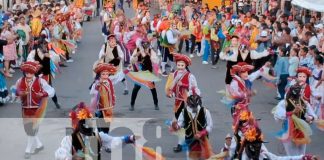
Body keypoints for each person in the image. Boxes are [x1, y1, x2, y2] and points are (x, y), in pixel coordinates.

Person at [55, 102, 137, 160]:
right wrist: (72, 158)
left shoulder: (98, 136)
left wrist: (128, 138)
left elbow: (112, 142)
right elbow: (61, 153)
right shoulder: (69, 140)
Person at [15, 61, 55, 159]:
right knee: (28, 129)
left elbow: (51, 91)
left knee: (32, 129)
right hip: (25, 109)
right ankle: (39, 145)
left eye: (31, 73)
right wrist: (20, 93)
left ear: (34, 73)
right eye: (27, 73)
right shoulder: (20, 81)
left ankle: (27, 150)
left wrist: (43, 94)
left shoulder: (40, 81)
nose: (28, 75)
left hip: (37, 109)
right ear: (24, 72)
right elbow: (15, 92)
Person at [165, 53, 200, 152]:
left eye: (182, 65)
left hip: (188, 102)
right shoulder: (175, 74)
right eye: (178, 65)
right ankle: (181, 143)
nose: (180, 67)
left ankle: (189, 142)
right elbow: (172, 86)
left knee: (188, 123)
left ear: (186, 66)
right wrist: (170, 92)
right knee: (179, 123)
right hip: (178, 102)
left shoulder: (190, 76)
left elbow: (194, 88)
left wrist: (183, 84)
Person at [273, 84, 317, 156]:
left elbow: (313, 116)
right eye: (301, 91)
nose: (303, 92)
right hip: (289, 131)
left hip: (302, 132)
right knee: (292, 155)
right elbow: (278, 115)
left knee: (301, 154)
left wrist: (310, 118)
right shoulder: (284, 102)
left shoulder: (304, 103)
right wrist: (292, 112)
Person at [171, 95, 213, 159]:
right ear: (188, 104)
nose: (194, 108)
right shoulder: (184, 112)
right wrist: (175, 127)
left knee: (203, 156)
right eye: (192, 106)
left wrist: (201, 133)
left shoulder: (205, 111)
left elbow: (210, 126)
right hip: (190, 139)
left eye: (196, 106)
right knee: (194, 156)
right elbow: (180, 124)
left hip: (203, 139)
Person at [26, 37, 61, 109]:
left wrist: (50, 57)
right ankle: (35, 104)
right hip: (37, 74)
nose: (44, 46)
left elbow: (57, 58)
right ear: (39, 45)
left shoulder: (49, 52)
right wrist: (34, 62)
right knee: (36, 88)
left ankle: (56, 102)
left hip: (46, 74)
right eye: (43, 45)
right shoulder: (33, 52)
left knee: (50, 88)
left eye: (45, 44)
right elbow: (29, 60)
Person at [128, 41, 160, 111]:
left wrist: (149, 54)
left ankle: (156, 104)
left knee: (152, 88)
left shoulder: (151, 51)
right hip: (140, 73)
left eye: (147, 45)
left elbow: (156, 61)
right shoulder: (137, 50)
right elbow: (131, 61)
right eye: (144, 45)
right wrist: (136, 55)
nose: (146, 46)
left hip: (148, 73)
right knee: (136, 88)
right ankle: (132, 104)